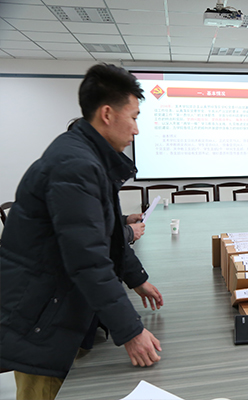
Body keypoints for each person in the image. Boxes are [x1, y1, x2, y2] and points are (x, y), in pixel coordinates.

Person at [0, 63, 164, 400]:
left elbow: (107, 232)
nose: (136, 129)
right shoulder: (75, 165)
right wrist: (131, 331)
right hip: (41, 317)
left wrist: (136, 278)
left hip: (54, 304)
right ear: (107, 114)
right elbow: (87, 259)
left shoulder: (87, 157)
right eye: (133, 117)